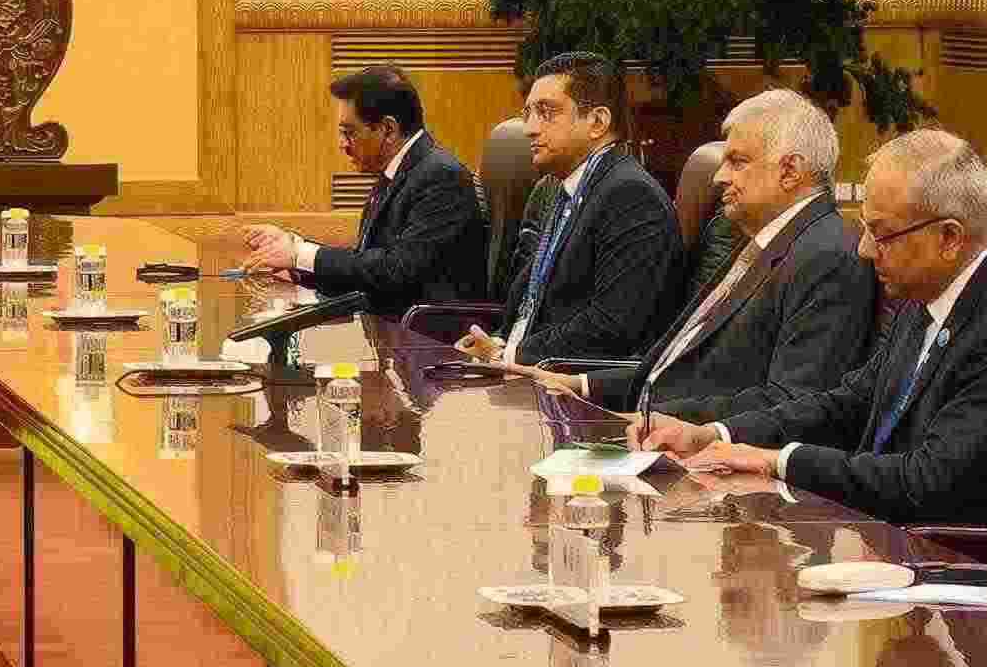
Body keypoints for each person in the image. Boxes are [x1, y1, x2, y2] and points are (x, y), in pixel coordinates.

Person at [632, 128, 987, 526]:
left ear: (949, 237)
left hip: (968, 564)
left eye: (881, 234)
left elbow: (929, 481)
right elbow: (849, 404)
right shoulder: (927, 294)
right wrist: (715, 434)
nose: (865, 250)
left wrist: (778, 462)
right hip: (892, 540)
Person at [510, 88, 874, 413]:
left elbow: (791, 402)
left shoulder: (826, 258)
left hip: (696, 453)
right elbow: (679, 367)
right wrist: (581, 385)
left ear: (790, 170)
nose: (719, 177)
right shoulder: (764, 240)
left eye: (737, 162)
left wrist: (657, 426)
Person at [454, 52, 679, 366]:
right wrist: (497, 343)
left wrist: (509, 355)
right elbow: (537, 306)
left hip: (572, 385)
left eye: (546, 112)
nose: (530, 128)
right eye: (528, 113)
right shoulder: (562, 190)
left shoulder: (631, 196)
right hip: (530, 367)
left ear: (597, 122)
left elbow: (611, 326)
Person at [239, 65, 488, 318]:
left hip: (431, 334)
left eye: (349, 133)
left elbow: (396, 272)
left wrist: (300, 255)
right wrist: (292, 251)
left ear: (388, 130)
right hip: (392, 326)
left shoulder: (440, 176)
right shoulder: (398, 171)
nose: (342, 144)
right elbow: (365, 266)